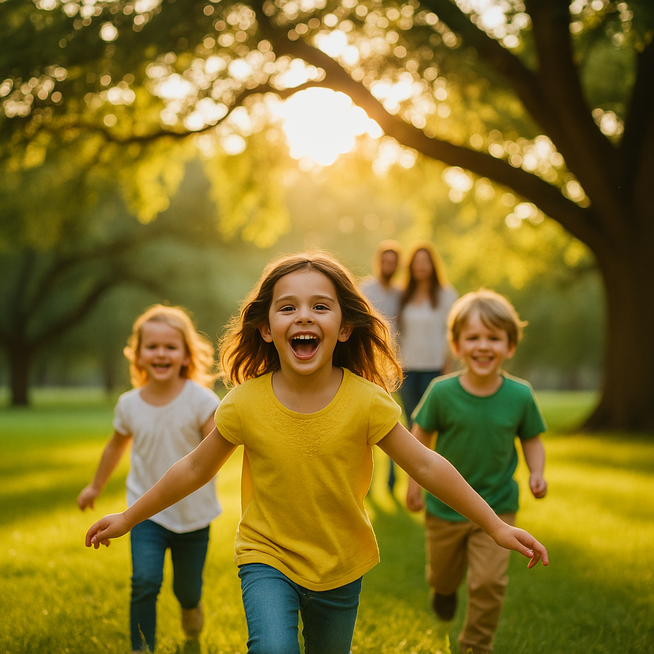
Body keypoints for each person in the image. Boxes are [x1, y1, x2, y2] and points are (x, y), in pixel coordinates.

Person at [85, 253, 548, 654]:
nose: (303, 317)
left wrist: (495, 525)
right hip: (266, 555)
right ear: (266, 329)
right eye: (288, 308)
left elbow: (427, 464)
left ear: (344, 328)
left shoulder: (367, 401)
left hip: (341, 560)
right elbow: (193, 468)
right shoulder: (244, 402)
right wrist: (129, 517)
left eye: (320, 307)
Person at [405, 289, 548, 654]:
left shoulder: (520, 395)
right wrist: (414, 485)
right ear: (456, 344)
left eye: (493, 338)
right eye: (473, 338)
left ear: (510, 346)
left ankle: (475, 646)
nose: (483, 346)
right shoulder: (441, 392)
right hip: (444, 508)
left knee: (488, 583)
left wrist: (537, 472)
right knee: (443, 574)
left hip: (499, 505)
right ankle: (444, 589)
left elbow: (531, 439)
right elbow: (418, 441)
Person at [77, 304, 222, 653]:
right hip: (145, 512)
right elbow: (115, 447)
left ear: (186, 354)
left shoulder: (201, 400)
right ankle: (141, 647)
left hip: (193, 515)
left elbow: (217, 447)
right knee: (144, 581)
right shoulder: (129, 404)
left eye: (170, 346)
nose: (161, 353)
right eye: (152, 346)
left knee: (186, 589)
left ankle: (191, 606)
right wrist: (96, 485)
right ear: (137, 354)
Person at [397, 241, 458, 444]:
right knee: (410, 424)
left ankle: (432, 470)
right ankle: (414, 472)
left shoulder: (446, 295)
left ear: (433, 265)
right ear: (410, 266)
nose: (421, 266)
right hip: (407, 369)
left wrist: (447, 367)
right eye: (416, 262)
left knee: (430, 424)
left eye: (425, 261)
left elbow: (451, 333)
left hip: (434, 368)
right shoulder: (403, 295)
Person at [360, 240, 403, 492]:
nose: (389, 266)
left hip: (395, 362)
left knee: (395, 419)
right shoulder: (365, 289)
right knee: (370, 417)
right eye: (385, 261)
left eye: (393, 262)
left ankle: (393, 476)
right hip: (369, 360)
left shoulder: (400, 293)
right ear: (379, 263)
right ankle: (370, 479)